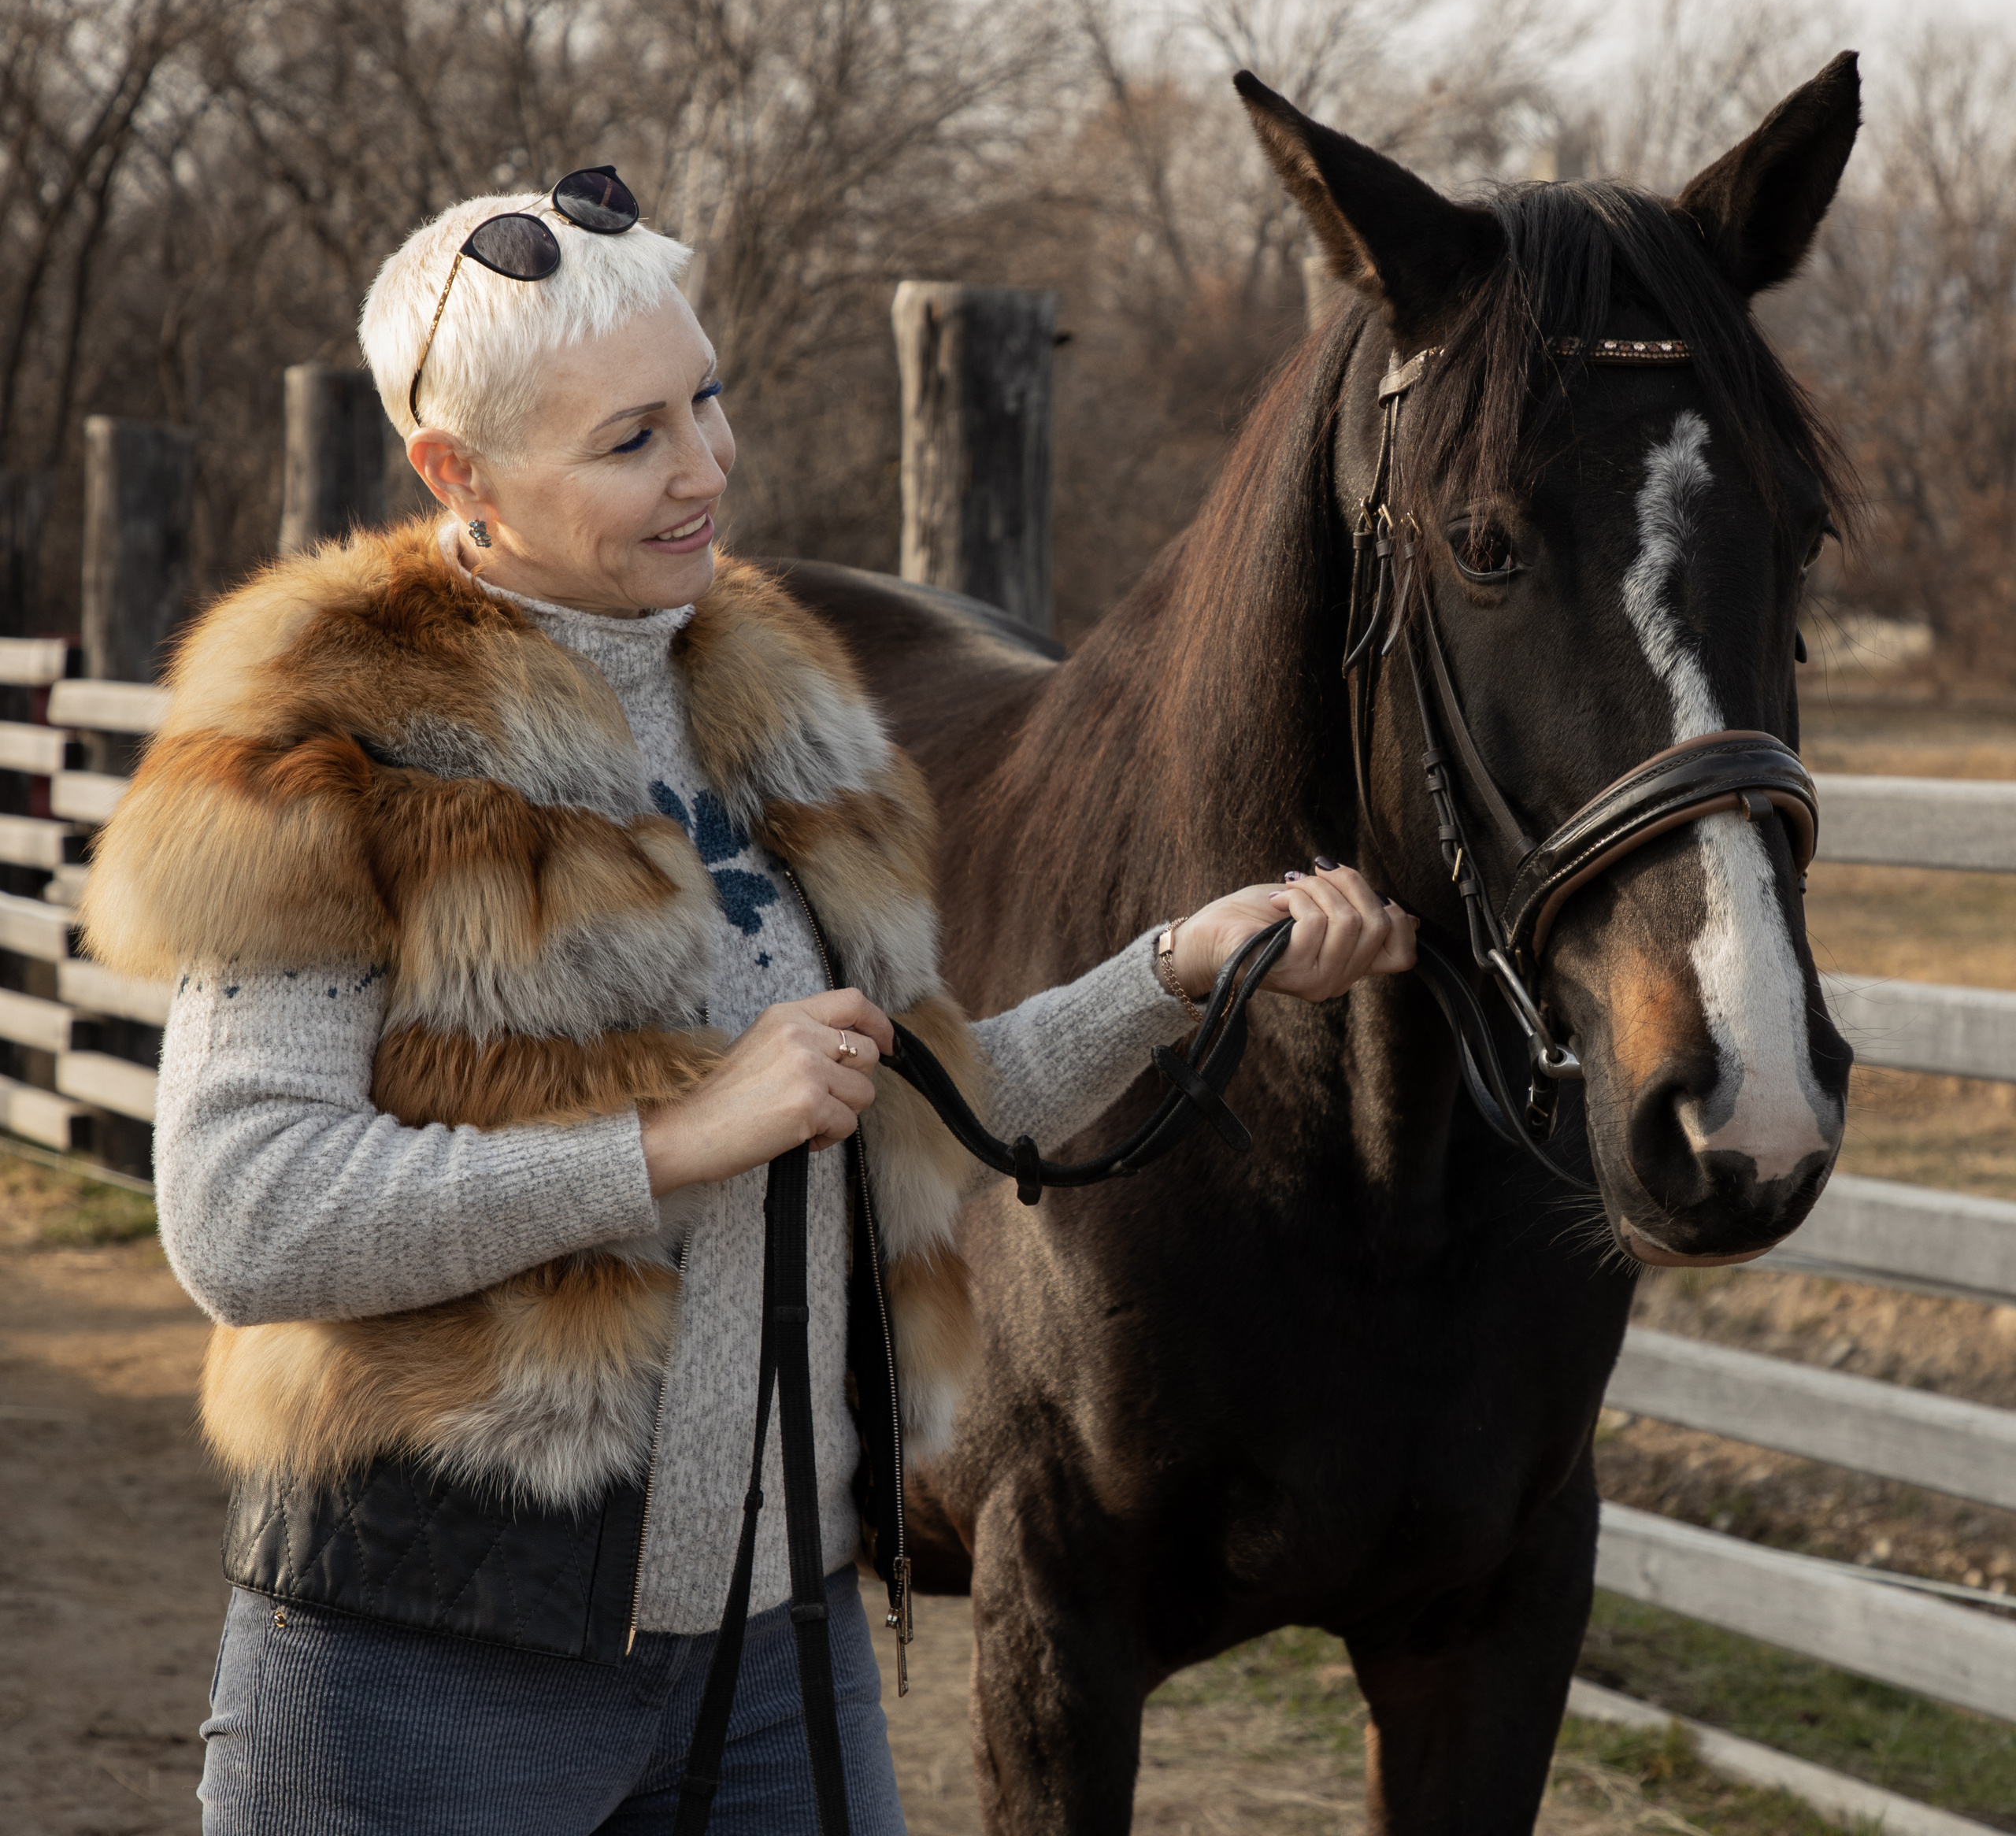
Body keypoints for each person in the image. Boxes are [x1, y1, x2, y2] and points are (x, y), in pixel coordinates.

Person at [80, 168, 1417, 1836]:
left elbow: (903, 1089)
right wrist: (669, 1140)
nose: (706, 467)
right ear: (459, 472)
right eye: (630, 437)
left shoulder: (779, 712)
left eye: (704, 400)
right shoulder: (328, 740)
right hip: (436, 1651)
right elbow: (243, 1212)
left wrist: (1177, 970)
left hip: (778, 1648)